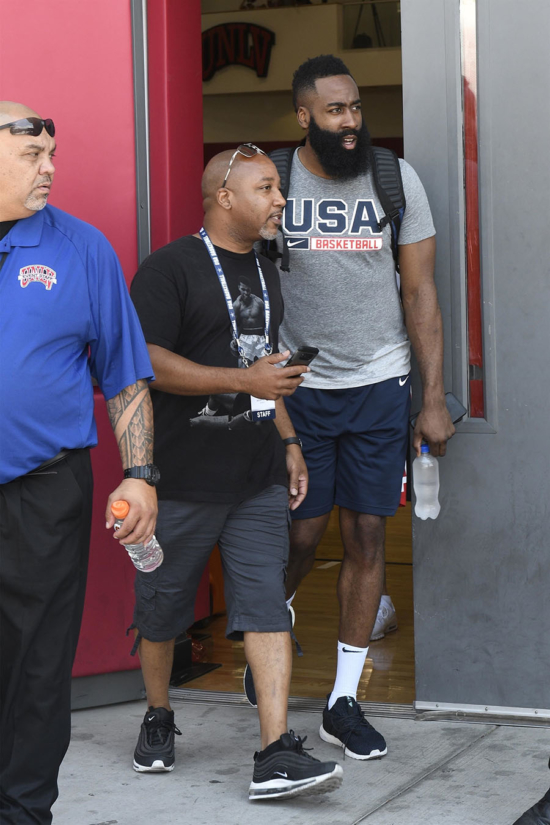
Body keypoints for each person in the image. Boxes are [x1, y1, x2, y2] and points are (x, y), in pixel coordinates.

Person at [244, 55, 455, 760]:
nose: (350, 121)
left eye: (356, 108)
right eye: (335, 110)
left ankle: (343, 697)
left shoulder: (394, 179)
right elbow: (237, 268)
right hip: (297, 388)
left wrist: (431, 397)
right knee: (301, 536)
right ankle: (273, 625)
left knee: (367, 536)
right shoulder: (276, 181)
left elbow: (419, 292)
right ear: (304, 115)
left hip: (379, 381)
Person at [129, 145, 343, 800]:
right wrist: (239, 378)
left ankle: (274, 749)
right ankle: (160, 712)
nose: (281, 199)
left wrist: (289, 439)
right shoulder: (170, 268)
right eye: (267, 187)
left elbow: (264, 370)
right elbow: (148, 362)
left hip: (255, 476)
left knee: (265, 606)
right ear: (226, 197)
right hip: (183, 478)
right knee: (162, 611)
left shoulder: (265, 269)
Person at [0, 101, 158, 825]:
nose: (50, 169)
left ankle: (24, 811)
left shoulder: (82, 248)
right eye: (32, 156)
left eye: (51, 155)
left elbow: (125, 373)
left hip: (43, 488)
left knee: (36, 660)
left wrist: (139, 472)